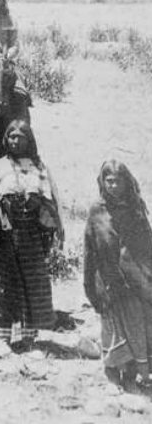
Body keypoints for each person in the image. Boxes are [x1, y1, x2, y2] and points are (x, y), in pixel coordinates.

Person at [0, 120, 64, 351]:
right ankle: (4, 337)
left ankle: (28, 338)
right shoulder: (0, 166)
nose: (15, 141)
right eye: (11, 136)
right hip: (7, 234)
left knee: (31, 284)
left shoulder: (39, 166)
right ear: (6, 139)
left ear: (29, 140)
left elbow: (51, 200)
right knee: (6, 284)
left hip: (33, 236)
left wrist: (50, 221)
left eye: (20, 137)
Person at [84, 160, 152, 391]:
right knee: (111, 326)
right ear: (102, 182)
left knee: (136, 325)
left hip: (134, 280)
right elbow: (90, 250)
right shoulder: (96, 211)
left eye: (117, 181)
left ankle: (132, 377)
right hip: (107, 279)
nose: (113, 186)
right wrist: (91, 285)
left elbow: (147, 245)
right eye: (108, 181)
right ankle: (112, 373)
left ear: (126, 181)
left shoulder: (135, 209)